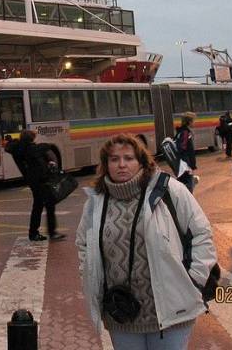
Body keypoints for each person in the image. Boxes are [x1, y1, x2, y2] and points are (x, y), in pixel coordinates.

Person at [76, 134, 217, 350]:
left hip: (171, 311)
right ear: (106, 165)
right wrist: (91, 276)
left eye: (129, 158)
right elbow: (83, 244)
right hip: (121, 314)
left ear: (141, 161)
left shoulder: (169, 190)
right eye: (114, 159)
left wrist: (194, 280)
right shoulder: (96, 202)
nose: (121, 165)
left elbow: (201, 234)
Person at [6, 130, 66, 242]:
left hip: (32, 181)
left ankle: (35, 232)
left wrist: (11, 140)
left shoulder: (17, 149)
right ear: (32, 139)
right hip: (41, 181)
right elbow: (46, 152)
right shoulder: (33, 149)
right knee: (47, 205)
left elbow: (10, 146)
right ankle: (47, 233)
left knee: (38, 206)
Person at [174, 113, 196, 192]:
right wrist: (190, 164)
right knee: (189, 187)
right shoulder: (185, 132)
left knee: (183, 185)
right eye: (193, 121)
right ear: (189, 122)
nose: (194, 123)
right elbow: (183, 148)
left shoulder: (180, 131)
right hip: (185, 164)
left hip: (182, 164)